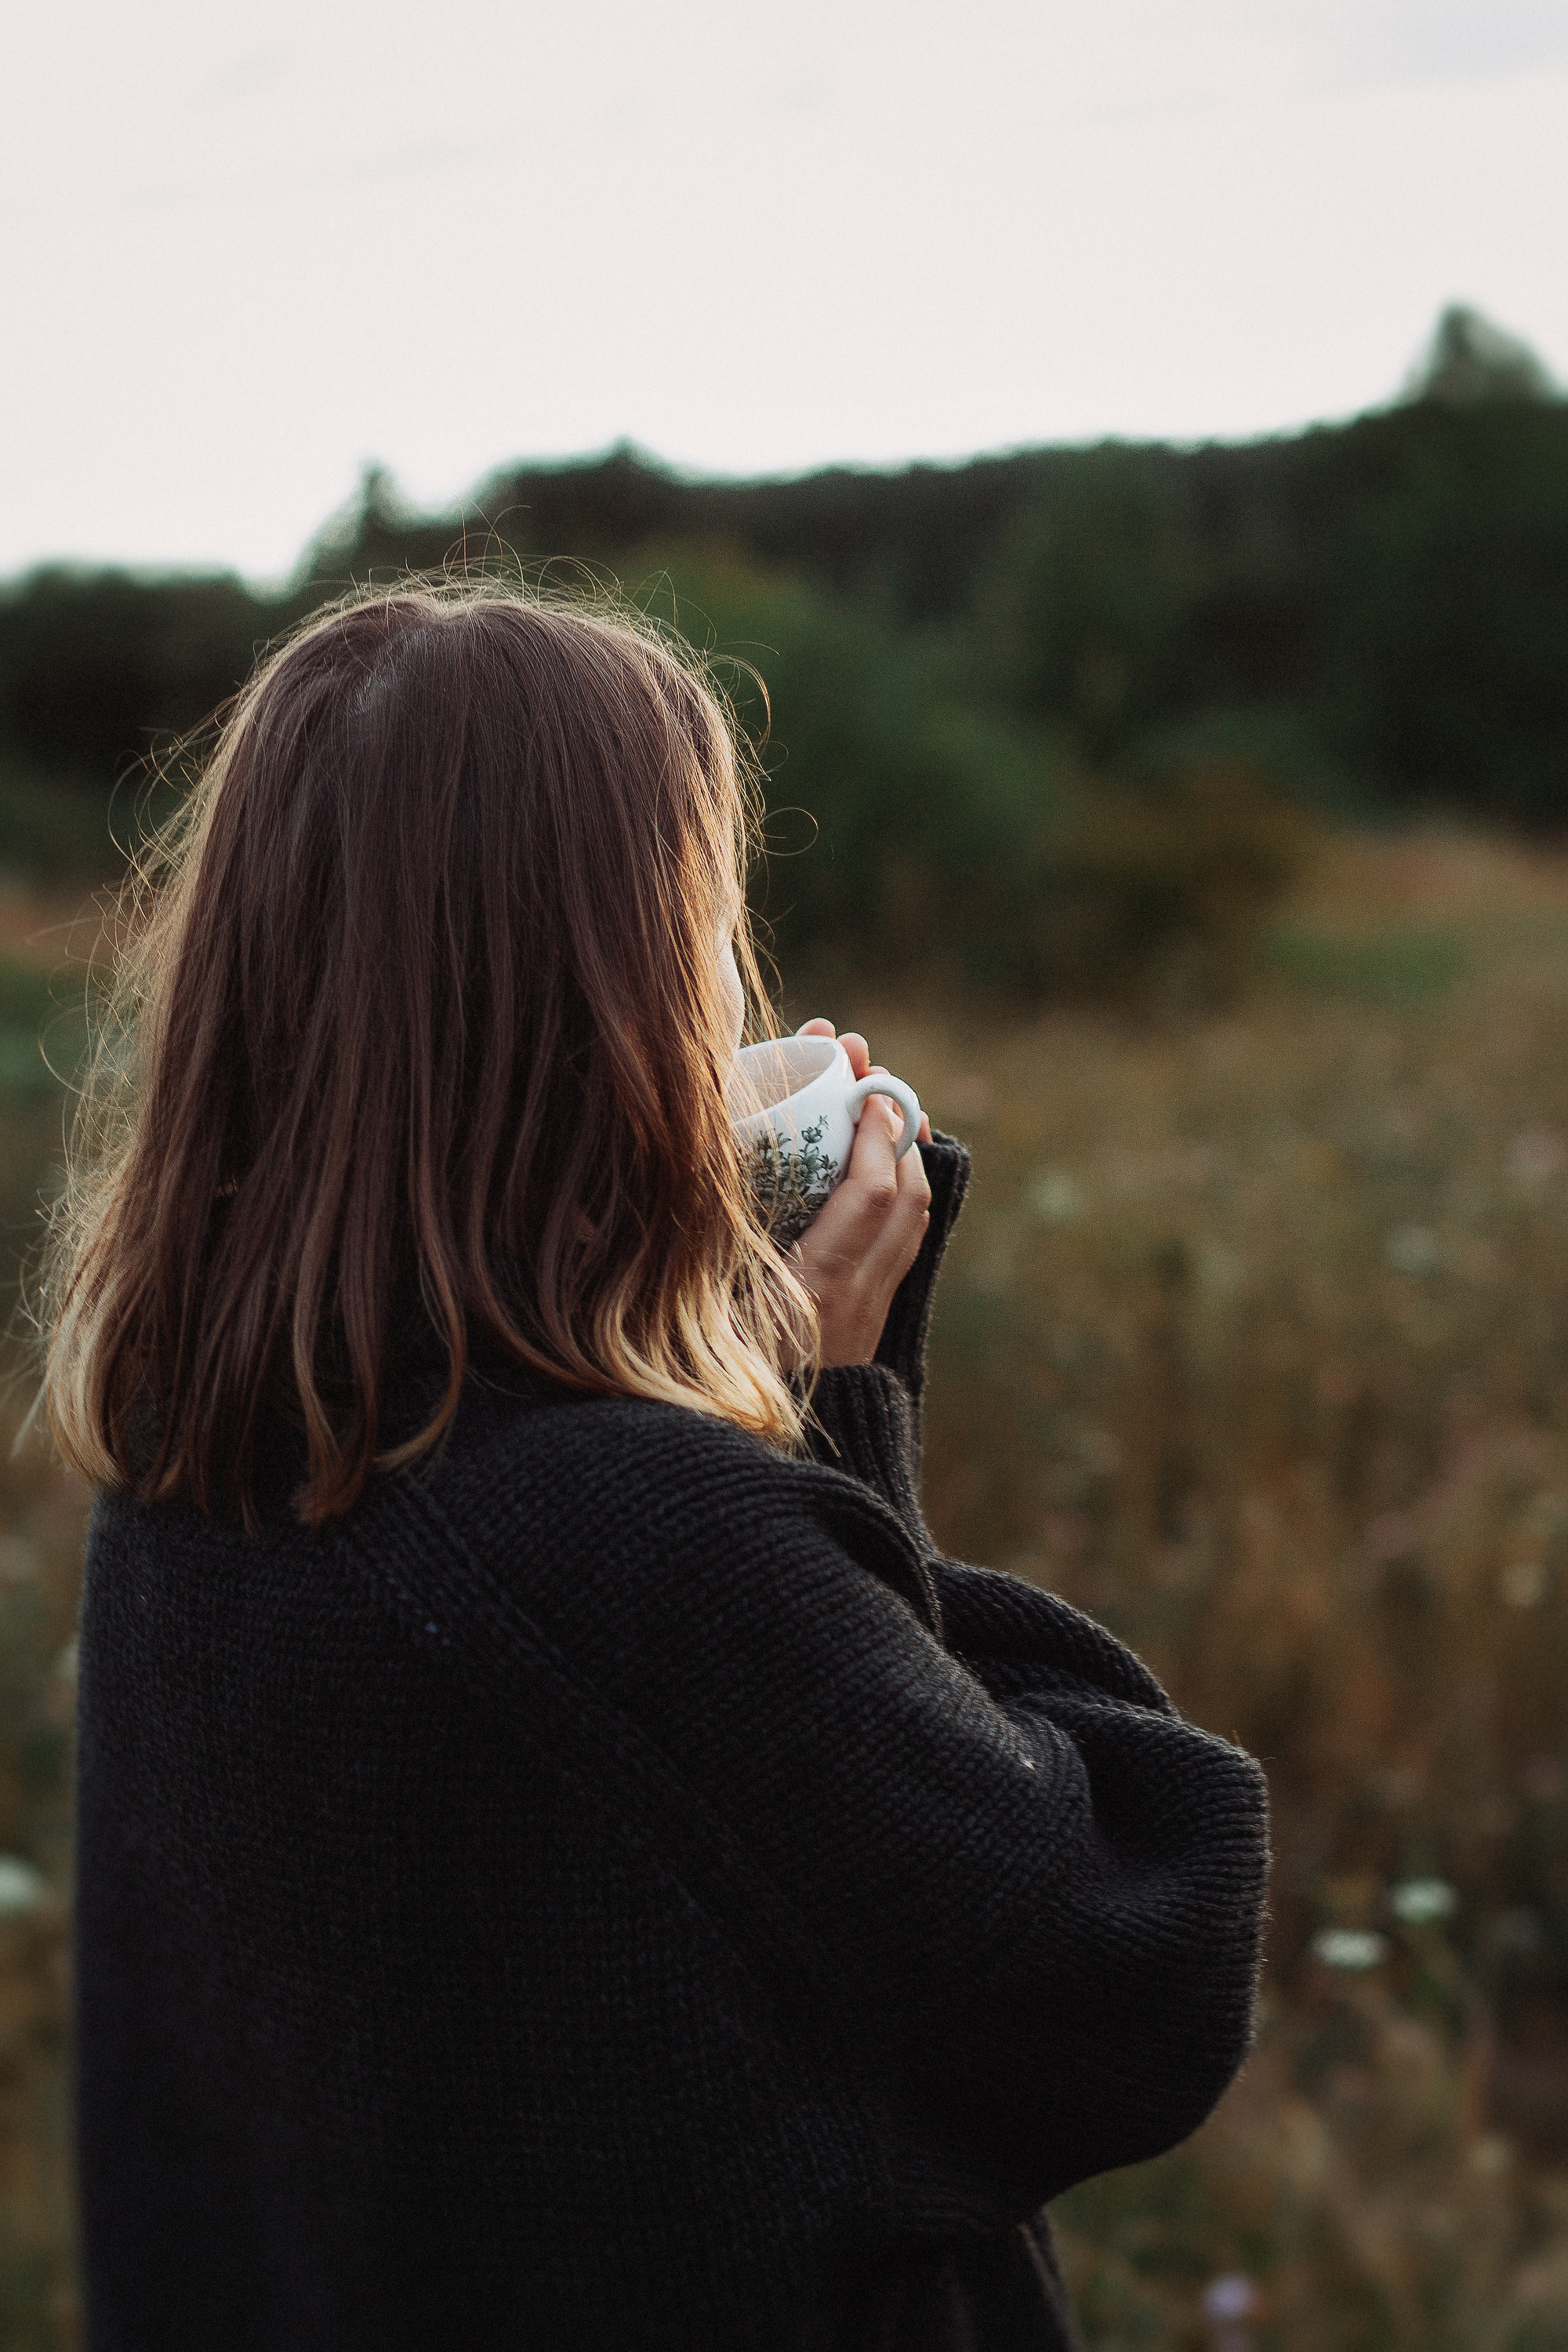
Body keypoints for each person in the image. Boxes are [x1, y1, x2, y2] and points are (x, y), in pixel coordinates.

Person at [40, 583, 1269, 2351]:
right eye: (696, 920)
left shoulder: (193, 1444)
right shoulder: (632, 1540)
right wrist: (838, 1404)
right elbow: (1124, 1962)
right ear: (598, 993)